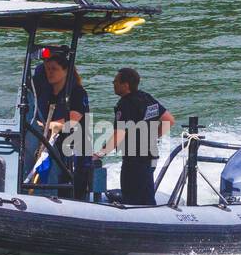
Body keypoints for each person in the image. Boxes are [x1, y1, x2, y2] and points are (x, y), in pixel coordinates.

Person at [93, 67, 174, 206]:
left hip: (134, 160)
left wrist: (100, 153)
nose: (113, 83)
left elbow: (120, 133)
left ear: (126, 85)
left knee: (132, 198)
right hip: (151, 156)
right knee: (146, 193)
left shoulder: (125, 104)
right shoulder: (146, 97)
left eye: (116, 81)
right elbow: (169, 120)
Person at [31, 52, 93, 199]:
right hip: (54, 147)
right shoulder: (46, 94)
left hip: (75, 150)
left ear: (65, 71)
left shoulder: (77, 93)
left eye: (54, 69)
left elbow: (72, 121)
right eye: (47, 69)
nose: (49, 72)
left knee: (71, 191)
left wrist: (45, 125)